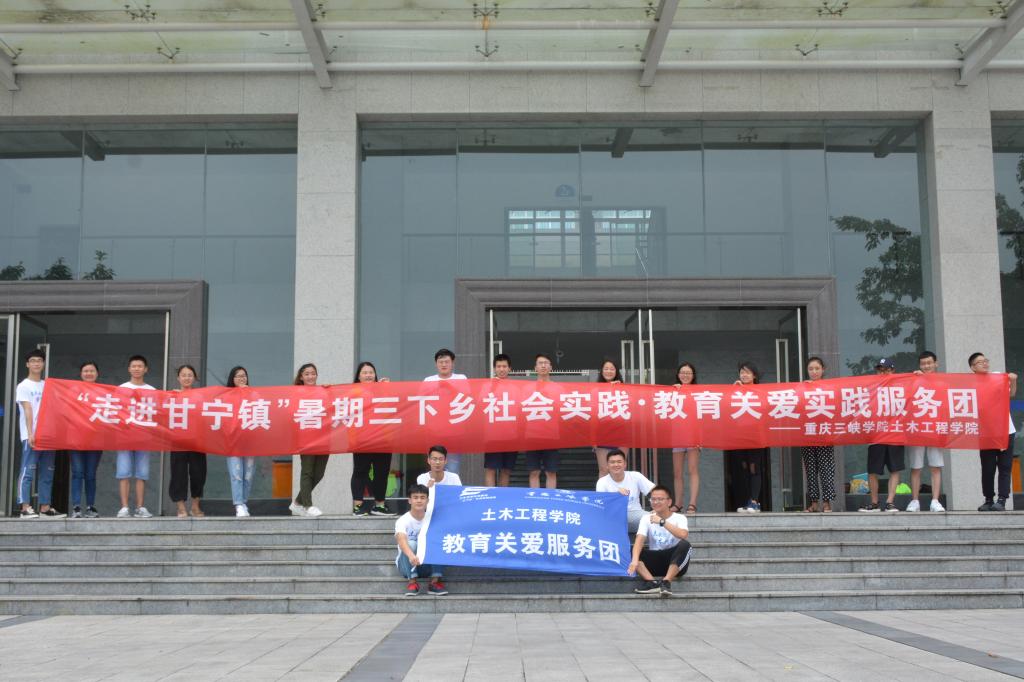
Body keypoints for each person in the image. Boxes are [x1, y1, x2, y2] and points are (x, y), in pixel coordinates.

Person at [16, 349, 64, 519]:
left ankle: (45, 507)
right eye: (33, 360)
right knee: (27, 471)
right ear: (27, 364)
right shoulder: (23, 386)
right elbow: (28, 409)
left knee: (47, 472)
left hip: (48, 436)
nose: (36, 363)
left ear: (43, 364)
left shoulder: (47, 385)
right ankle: (25, 507)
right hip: (31, 436)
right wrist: (30, 433)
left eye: (39, 360)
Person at [970, 352, 1018, 512]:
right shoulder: (970, 383)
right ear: (972, 367)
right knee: (988, 468)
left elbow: (1011, 394)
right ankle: (988, 499)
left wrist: (1013, 380)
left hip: (1005, 430)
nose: (984, 363)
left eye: (985, 360)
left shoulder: (997, 377)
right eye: (980, 362)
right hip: (986, 432)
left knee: (1004, 466)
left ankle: (1002, 500)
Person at [627, 485, 692, 597]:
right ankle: (652, 583)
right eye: (653, 499)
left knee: (685, 545)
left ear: (669, 502)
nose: (656, 502)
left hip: (674, 563)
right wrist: (634, 560)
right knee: (631, 550)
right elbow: (640, 539)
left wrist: (662, 522)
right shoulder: (646, 518)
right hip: (654, 562)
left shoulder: (680, 518)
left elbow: (683, 535)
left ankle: (666, 582)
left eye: (660, 499)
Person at [859, 358, 904, 513]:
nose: (883, 372)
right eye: (880, 370)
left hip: (895, 433)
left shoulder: (901, 386)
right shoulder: (871, 387)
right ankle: (874, 503)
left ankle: (890, 502)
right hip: (876, 434)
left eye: (886, 369)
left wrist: (919, 375)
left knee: (895, 469)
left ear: (893, 370)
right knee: (872, 470)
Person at [350, 361, 394, 516]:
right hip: (362, 439)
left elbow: (393, 406)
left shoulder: (382, 390)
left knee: (382, 472)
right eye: (365, 372)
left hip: (383, 438)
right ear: (358, 376)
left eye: (371, 372)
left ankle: (379, 505)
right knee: (360, 471)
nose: (368, 375)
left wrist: (387, 389)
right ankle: (358, 506)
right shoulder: (352, 391)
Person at [906, 351, 946, 512]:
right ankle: (915, 500)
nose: (926, 366)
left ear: (936, 363)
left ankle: (935, 501)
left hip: (935, 429)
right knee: (916, 467)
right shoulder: (914, 380)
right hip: (917, 428)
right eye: (923, 363)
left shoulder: (943, 382)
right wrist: (917, 379)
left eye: (929, 363)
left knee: (935, 466)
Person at [116, 354, 155, 518]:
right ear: (129, 369)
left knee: (142, 473)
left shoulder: (152, 390)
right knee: (123, 472)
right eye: (134, 366)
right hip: (124, 436)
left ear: (145, 369)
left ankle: (140, 507)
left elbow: (157, 413)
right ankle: (124, 507)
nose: (137, 369)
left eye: (140, 366)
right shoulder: (121, 388)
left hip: (144, 436)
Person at [727, 361, 767, 513]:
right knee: (743, 469)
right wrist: (733, 390)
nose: (744, 375)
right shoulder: (736, 390)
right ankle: (747, 501)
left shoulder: (761, 391)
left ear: (754, 375)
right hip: (740, 436)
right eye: (742, 372)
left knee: (754, 468)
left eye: (747, 372)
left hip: (755, 436)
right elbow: (726, 406)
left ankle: (755, 502)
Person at [168, 364, 206, 518]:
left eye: (190, 375)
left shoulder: (201, 396)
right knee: (178, 474)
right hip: (178, 440)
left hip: (197, 440)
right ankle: (181, 507)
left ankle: (195, 506)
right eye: (183, 375)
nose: (186, 378)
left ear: (194, 378)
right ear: (178, 378)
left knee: (198, 473)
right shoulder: (171, 396)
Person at [395, 483, 447, 596]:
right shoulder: (403, 520)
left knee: (436, 540)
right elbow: (401, 539)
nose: (419, 501)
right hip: (407, 564)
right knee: (411, 544)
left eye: (422, 497)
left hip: (426, 566)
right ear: (409, 500)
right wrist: (411, 556)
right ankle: (412, 582)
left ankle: (434, 582)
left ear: (427, 501)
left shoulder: (433, 519)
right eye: (415, 497)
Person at [290, 362, 326, 517]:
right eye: (307, 374)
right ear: (301, 377)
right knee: (307, 471)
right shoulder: (296, 393)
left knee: (319, 474)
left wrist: (331, 391)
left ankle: (297, 502)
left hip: (323, 437)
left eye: (313, 373)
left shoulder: (323, 391)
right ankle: (307, 505)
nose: (310, 376)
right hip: (306, 437)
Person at [424, 348, 467, 475]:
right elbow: (421, 402)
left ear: (452, 363)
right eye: (440, 362)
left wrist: (450, 387)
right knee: (434, 466)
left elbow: (468, 398)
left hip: (455, 431)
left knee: (453, 468)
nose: (444, 365)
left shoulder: (461, 378)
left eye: (447, 362)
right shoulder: (428, 380)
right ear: (436, 364)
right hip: (434, 431)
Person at [802, 357, 836, 513]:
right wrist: (803, 389)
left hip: (824, 433)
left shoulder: (830, 387)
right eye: (811, 369)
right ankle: (814, 502)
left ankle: (827, 503)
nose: (814, 372)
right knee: (810, 470)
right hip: (808, 434)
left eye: (817, 368)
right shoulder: (802, 388)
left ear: (823, 369)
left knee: (826, 469)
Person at [222, 366, 257, 517]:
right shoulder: (226, 396)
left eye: (244, 375)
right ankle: (238, 504)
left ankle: (243, 502)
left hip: (250, 442)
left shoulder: (254, 394)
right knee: (236, 474)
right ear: (233, 379)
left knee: (248, 474)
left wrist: (248, 394)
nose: (242, 378)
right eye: (238, 376)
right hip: (233, 442)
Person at [69, 361, 102, 519]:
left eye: (92, 370)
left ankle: (90, 507)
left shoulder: (103, 392)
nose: (89, 373)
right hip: (76, 439)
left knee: (90, 474)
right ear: (81, 374)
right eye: (86, 371)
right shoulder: (73, 391)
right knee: (77, 472)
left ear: (97, 373)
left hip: (95, 440)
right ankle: (76, 507)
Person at [596, 449, 655, 533]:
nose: (616, 464)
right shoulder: (602, 482)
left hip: (635, 513)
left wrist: (657, 509)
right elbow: (601, 505)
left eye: (619, 462)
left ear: (625, 464)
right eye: (612, 462)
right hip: (614, 516)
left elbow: (655, 492)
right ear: (607, 466)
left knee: (657, 518)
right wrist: (616, 496)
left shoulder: (635, 476)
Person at [670, 362, 701, 515]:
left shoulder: (698, 392)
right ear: (678, 374)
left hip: (693, 435)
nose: (685, 375)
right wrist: (673, 392)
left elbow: (702, 416)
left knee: (692, 470)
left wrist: (700, 437)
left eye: (688, 373)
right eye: (682, 372)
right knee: (677, 472)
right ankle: (678, 503)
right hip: (677, 435)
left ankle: (692, 504)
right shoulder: (672, 391)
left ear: (693, 375)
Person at [484, 353, 518, 487]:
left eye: (504, 366)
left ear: (510, 368)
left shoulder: (516, 387)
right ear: (494, 368)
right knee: (491, 469)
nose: (501, 369)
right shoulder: (487, 386)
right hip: (493, 435)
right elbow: (480, 406)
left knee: (506, 470)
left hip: (511, 435)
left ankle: (502, 497)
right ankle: (491, 496)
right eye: (498, 366)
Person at [526, 353, 559, 489]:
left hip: (551, 435)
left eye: (546, 363)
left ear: (550, 367)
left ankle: (550, 498)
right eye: (540, 363)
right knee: (534, 471)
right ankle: (536, 499)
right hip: (532, 435)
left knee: (551, 471)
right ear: (535, 368)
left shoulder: (558, 388)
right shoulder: (527, 388)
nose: (543, 366)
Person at [594, 358, 626, 479]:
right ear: (601, 371)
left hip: (621, 432)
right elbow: (592, 415)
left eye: (612, 369)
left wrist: (619, 388)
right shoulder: (595, 390)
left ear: (616, 371)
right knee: (603, 469)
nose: (609, 371)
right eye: (606, 369)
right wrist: (593, 438)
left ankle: (621, 492)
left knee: (620, 469)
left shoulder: (624, 388)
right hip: (602, 433)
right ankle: (603, 492)